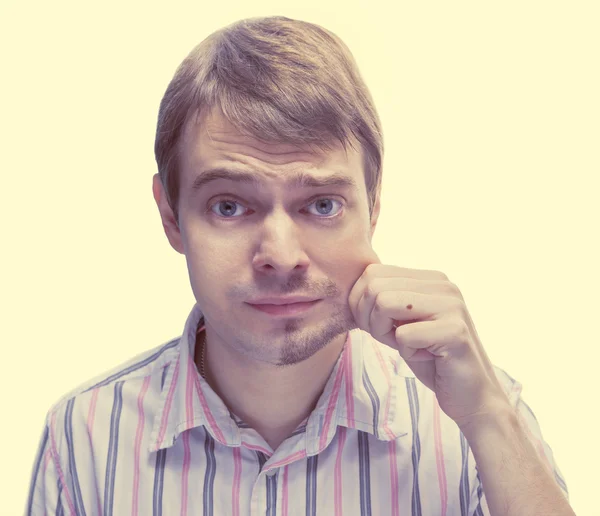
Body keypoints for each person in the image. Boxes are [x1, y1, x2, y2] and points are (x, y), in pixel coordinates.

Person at [26, 15, 572, 515]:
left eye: (322, 205)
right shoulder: (84, 437)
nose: (281, 257)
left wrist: (490, 419)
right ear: (171, 217)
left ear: (374, 208)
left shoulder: (476, 420)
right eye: (230, 205)